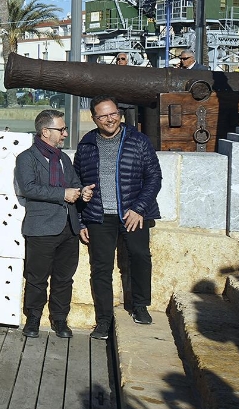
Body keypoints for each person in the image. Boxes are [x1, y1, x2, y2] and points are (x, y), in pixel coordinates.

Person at [74, 95, 162, 340]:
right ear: (94, 119)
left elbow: (154, 177)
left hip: (132, 213)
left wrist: (139, 208)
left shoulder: (138, 140)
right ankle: (103, 320)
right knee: (100, 268)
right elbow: (77, 181)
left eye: (112, 113)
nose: (109, 119)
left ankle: (140, 306)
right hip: (99, 215)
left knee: (140, 256)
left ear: (120, 114)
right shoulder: (87, 144)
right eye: (102, 116)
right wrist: (82, 219)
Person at [15, 110, 94, 339]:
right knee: (36, 278)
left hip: (68, 228)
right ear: (45, 132)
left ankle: (60, 319)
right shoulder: (26, 158)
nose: (66, 134)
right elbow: (28, 188)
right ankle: (33, 319)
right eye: (61, 129)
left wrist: (83, 193)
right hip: (41, 228)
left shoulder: (63, 159)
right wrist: (63, 194)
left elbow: (74, 185)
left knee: (63, 279)